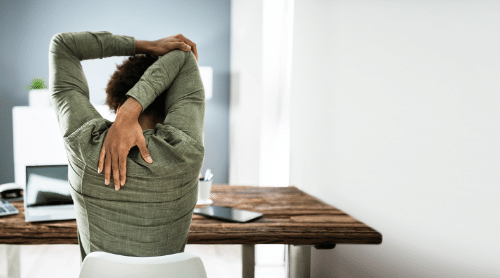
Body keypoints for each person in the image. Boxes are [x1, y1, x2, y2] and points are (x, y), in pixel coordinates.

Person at [49, 31, 205, 263]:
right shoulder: (183, 149)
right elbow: (184, 55)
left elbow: (63, 45)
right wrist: (134, 105)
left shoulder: (84, 143)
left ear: (117, 103)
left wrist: (147, 45)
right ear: (172, 100)